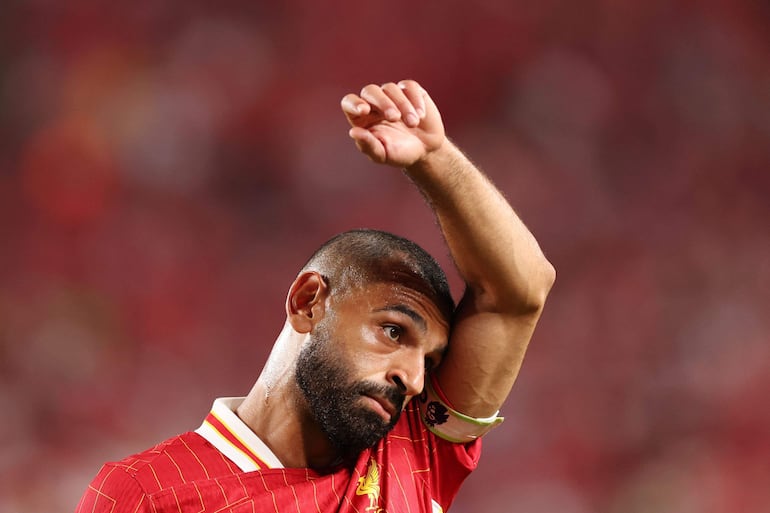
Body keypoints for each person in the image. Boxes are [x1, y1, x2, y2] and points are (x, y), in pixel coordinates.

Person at [75, 79, 555, 513]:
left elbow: (517, 293)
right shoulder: (144, 492)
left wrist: (435, 158)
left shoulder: (415, 447)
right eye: (393, 330)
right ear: (309, 302)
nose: (411, 379)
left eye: (429, 362)